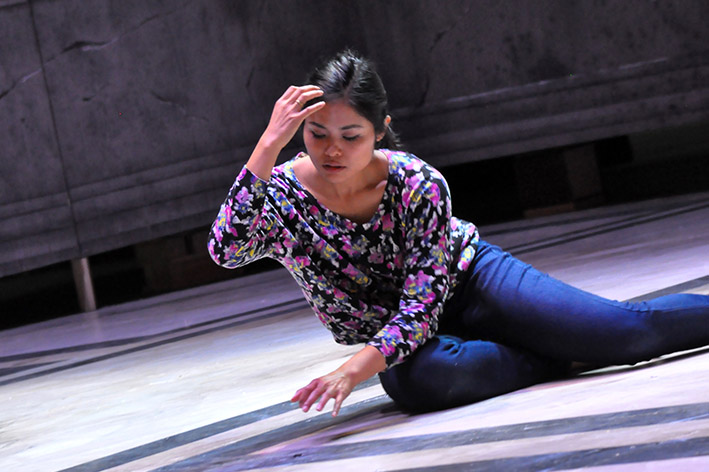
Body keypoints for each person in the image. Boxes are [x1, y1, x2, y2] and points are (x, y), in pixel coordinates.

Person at [208, 50, 709, 416]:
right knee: (420, 385)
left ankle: (576, 340)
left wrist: (350, 371)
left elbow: (420, 307)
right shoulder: (280, 195)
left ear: (380, 130)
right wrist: (266, 147)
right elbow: (225, 249)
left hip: (473, 283)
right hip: (399, 338)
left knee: (625, 335)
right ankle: (557, 353)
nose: (331, 150)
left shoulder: (416, 182)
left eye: (350, 136)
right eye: (317, 133)